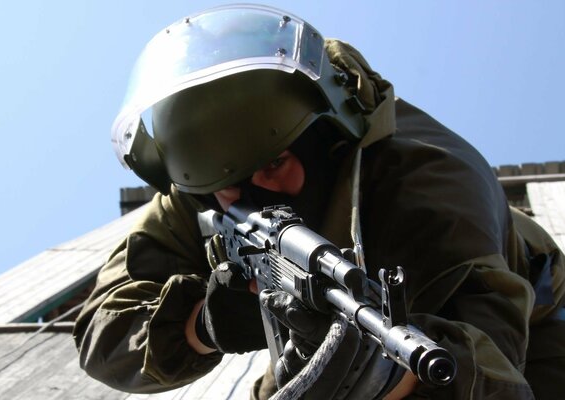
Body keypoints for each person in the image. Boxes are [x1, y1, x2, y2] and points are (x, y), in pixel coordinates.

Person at [73, 4, 565, 399]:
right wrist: (202, 324)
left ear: (327, 139)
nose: (250, 197)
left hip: (540, 317)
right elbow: (103, 335)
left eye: (274, 165)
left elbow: (491, 363)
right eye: (226, 186)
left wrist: (395, 377)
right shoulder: (197, 184)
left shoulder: (430, 188)